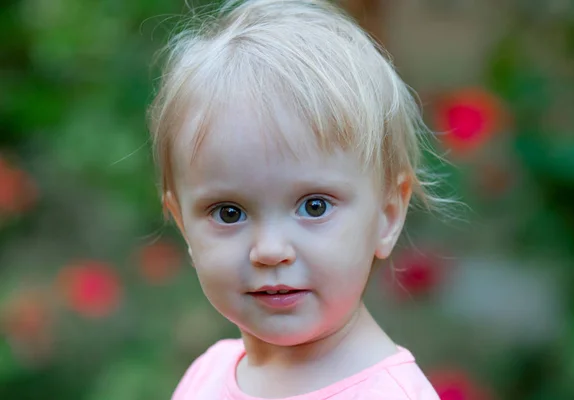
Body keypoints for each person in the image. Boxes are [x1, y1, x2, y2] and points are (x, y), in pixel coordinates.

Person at [148, 0, 442, 398]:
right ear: (183, 224)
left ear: (387, 216)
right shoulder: (208, 374)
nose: (270, 251)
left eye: (314, 206)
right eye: (229, 212)